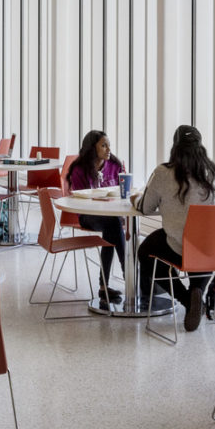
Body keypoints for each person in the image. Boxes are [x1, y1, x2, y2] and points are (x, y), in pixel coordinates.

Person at [134, 125, 215, 331]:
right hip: (214, 249)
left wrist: (136, 199)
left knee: (145, 251)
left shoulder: (164, 172)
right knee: (203, 243)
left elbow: (145, 208)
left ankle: (186, 299)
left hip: (179, 247)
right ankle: (197, 290)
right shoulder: (214, 172)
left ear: (175, 147)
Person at [67, 130, 127, 307]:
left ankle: (104, 286)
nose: (108, 149)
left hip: (111, 216)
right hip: (88, 216)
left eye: (109, 144)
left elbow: (123, 192)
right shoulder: (79, 170)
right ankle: (129, 277)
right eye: (103, 145)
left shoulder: (115, 165)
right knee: (113, 226)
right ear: (92, 148)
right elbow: (78, 200)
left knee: (112, 228)